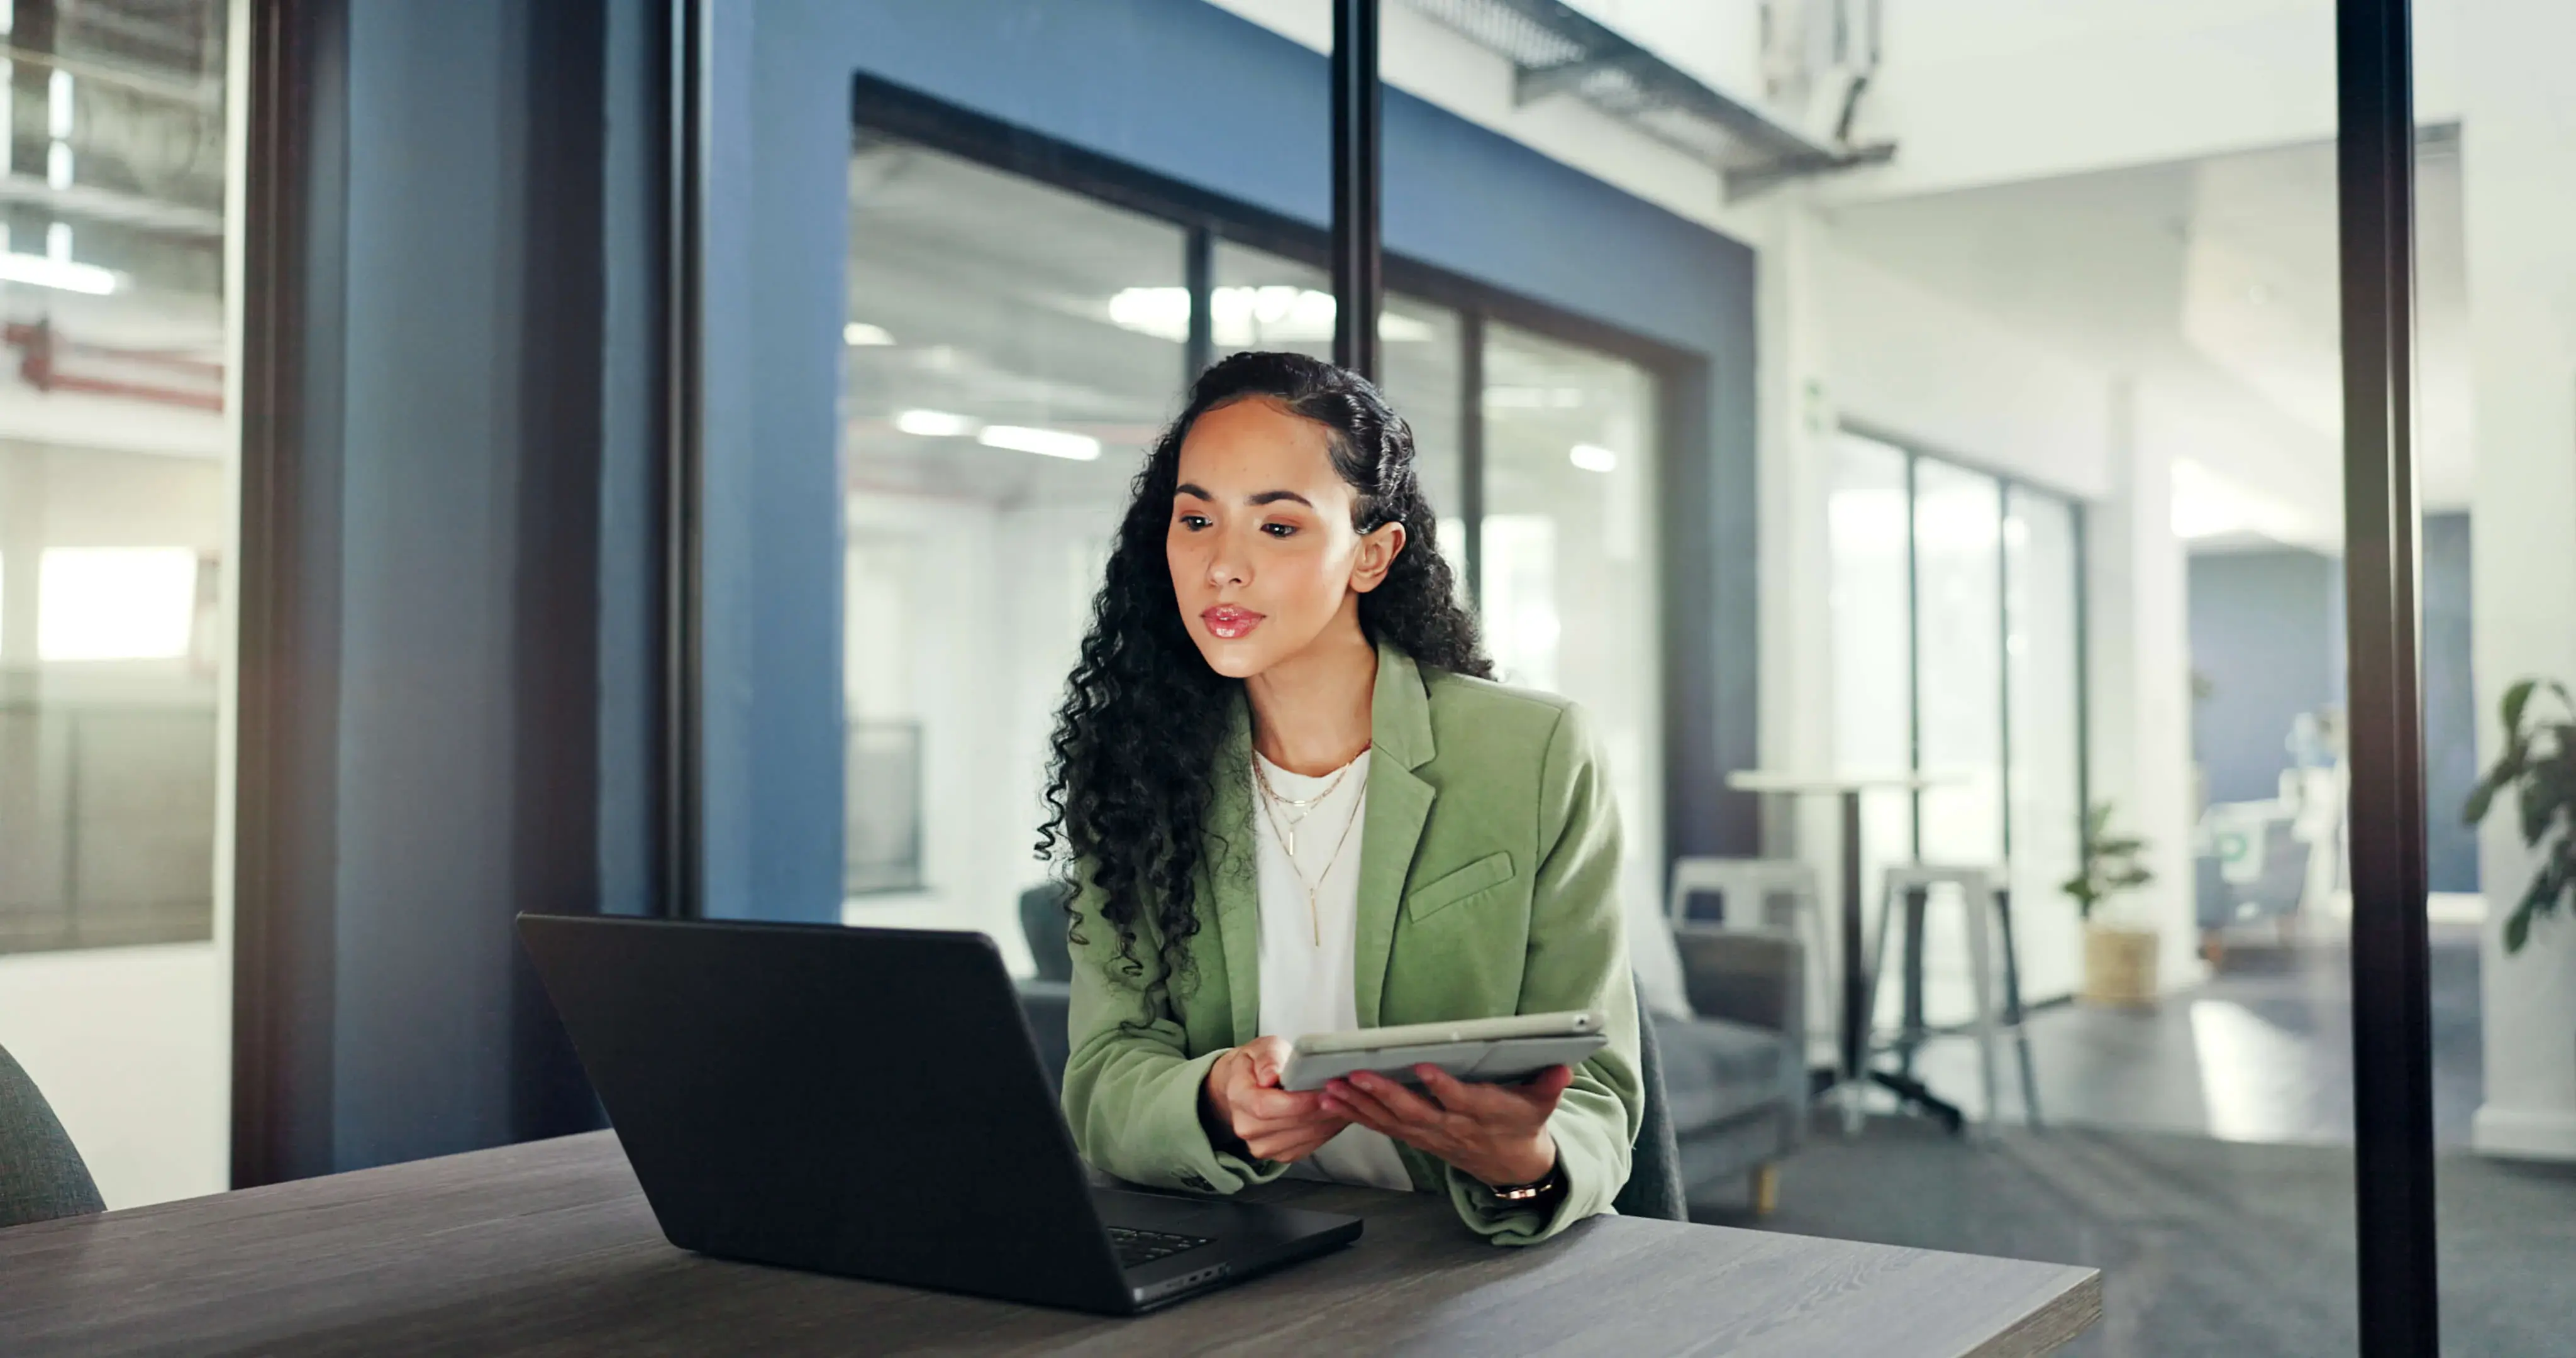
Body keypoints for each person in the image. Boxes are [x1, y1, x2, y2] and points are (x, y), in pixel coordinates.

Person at [1041, 351, 1641, 1246]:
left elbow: (1595, 1088)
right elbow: (1103, 1075)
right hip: (1242, 1243)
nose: (1221, 568)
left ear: (1372, 554)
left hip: (1460, 1254)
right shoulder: (1134, 766)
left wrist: (1522, 1164)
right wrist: (1212, 1106)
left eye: (1277, 528)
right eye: (1196, 518)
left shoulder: (1535, 753)